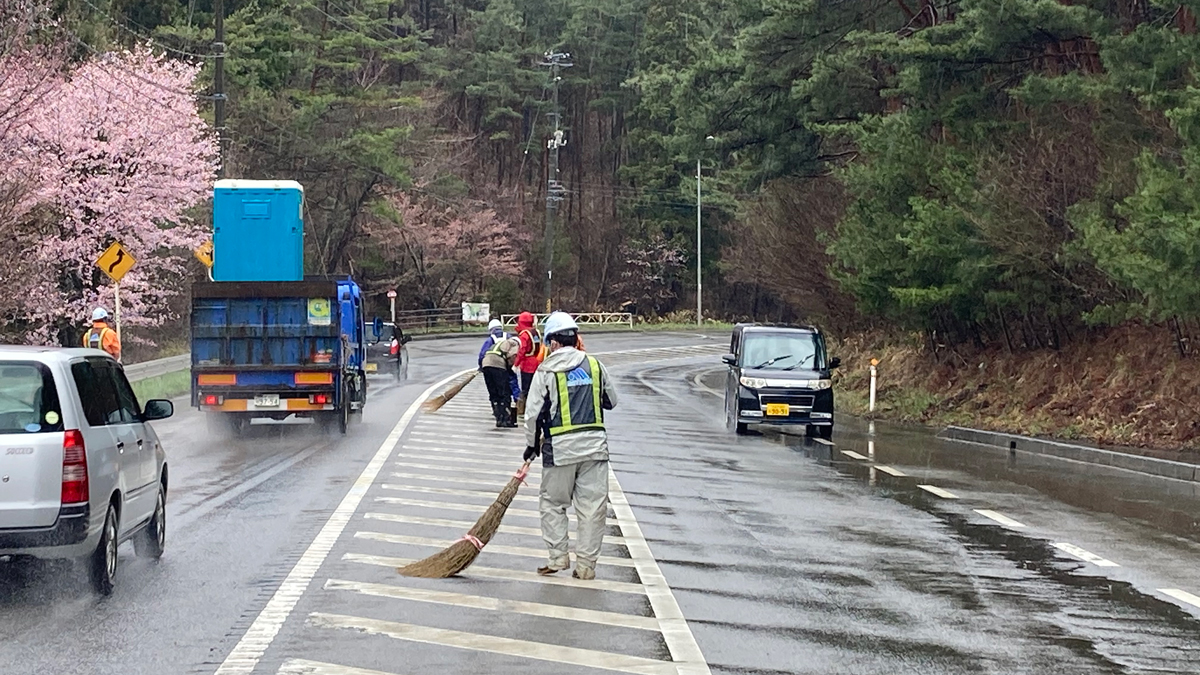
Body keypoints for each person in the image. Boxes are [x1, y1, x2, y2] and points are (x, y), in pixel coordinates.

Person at [522, 311, 618, 580]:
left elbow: (532, 414)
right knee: (592, 509)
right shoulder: (595, 365)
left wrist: (531, 445)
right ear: (575, 338)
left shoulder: (546, 370)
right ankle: (586, 567)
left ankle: (557, 557)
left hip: (560, 450)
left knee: (553, 503)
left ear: (552, 343)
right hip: (595, 450)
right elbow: (612, 400)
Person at [480, 334, 522, 428]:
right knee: (504, 393)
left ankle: (498, 418)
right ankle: (506, 420)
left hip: (486, 364)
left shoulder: (499, 343)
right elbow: (512, 356)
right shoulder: (514, 344)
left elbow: (483, 354)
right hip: (498, 365)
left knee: (494, 394)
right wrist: (511, 369)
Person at [478, 319, 520, 407]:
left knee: (495, 389)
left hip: (492, 365)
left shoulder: (491, 339)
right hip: (506, 364)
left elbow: (482, 354)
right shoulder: (508, 336)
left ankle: (497, 407)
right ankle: (518, 402)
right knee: (512, 384)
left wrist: (481, 366)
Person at [514, 312, 545, 417]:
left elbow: (522, 350)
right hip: (537, 362)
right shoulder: (536, 332)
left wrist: (516, 364)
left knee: (526, 389)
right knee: (536, 387)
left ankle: (525, 408)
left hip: (527, 364)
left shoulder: (524, 334)